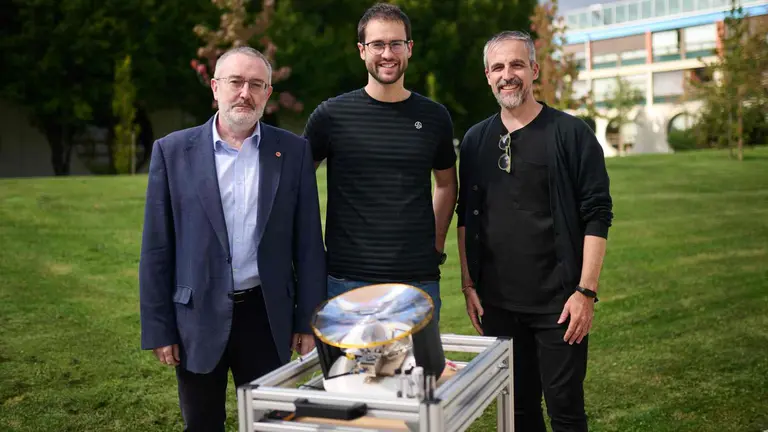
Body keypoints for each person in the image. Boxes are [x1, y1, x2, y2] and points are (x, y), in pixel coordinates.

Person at [139, 47, 326, 432]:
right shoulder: (172, 152)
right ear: (215, 87)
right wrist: (159, 328)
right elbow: (157, 249)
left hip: (266, 315)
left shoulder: (293, 152)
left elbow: (308, 244)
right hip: (196, 316)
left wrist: (307, 320)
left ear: (268, 93)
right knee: (202, 423)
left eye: (256, 84)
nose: (245, 93)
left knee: (267, 423)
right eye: (236, 82)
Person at [456, 31, 613, 432]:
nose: (507, 75)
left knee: (565, 411)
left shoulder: (571, 134)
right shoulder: (474, 140)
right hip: (497, 305)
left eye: (517, 64)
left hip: (559, 305)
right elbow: (466, 216)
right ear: (487, 75)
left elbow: (597, 215)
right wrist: (468, 284)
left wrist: (585, 292)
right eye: (497, 67)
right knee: (518, 411)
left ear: (534, 70)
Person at [303, 3, 457, 322]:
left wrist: (436, 246)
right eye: (377, 44)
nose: (387, 54)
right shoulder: (331, 116)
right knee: (350, 361)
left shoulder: (434, 117)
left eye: (396, 43)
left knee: (418, 360)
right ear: (362, 50)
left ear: (409, 48)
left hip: (418, 281)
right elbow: (298, 184)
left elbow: (445, 184)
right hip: (347, 283)